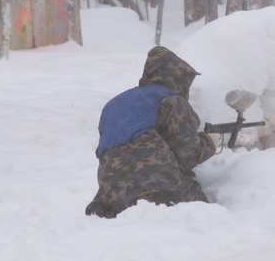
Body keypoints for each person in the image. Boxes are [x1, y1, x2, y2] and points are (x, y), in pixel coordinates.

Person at [86, 46, 216, 219]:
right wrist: (211, 141)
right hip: (158, 181)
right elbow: (188, 155)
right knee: (204, 215)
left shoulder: (115, 103)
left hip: (111, 185)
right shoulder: (171, 99)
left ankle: (109, 207)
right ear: (177, 77)